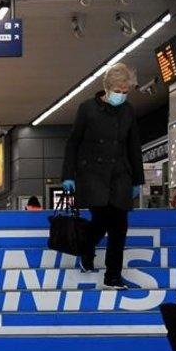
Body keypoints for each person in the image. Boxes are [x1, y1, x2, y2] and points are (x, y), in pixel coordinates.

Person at [61, 63, 144, 289]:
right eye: (118, 91)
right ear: (107, 89)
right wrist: (68, 175)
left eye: (126, 92)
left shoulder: (128, 111)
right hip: (92, 175)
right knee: (103, 220)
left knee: (119, 225)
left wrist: (138, 179)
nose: (122, 96)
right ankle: (87, 249)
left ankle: (113, 276)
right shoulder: (87, 109)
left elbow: (133, 145)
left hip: (120, 175)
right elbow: (73, 143)